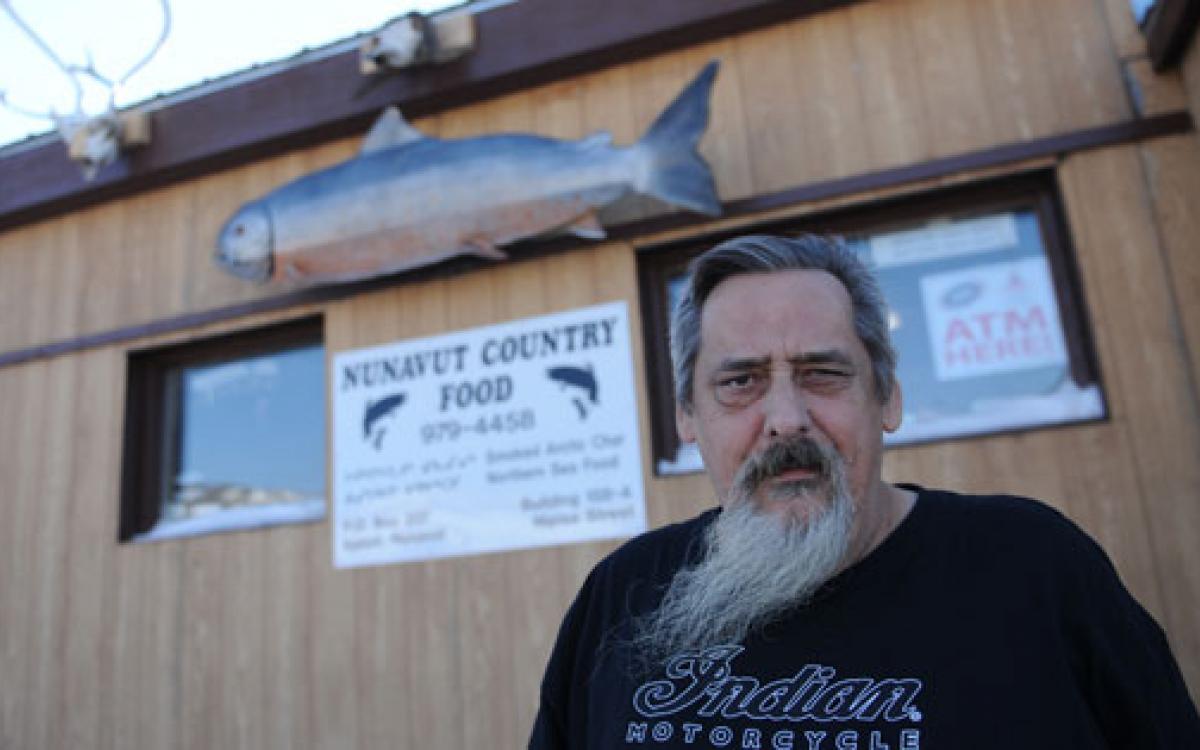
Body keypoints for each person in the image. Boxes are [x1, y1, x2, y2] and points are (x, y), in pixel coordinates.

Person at [528, 234, 1200, 749]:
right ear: (687, 418)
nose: (786, 418)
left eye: (822, 373)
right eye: (740, 382)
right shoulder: (623, 595)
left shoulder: (1035, 566)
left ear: (887, 397)